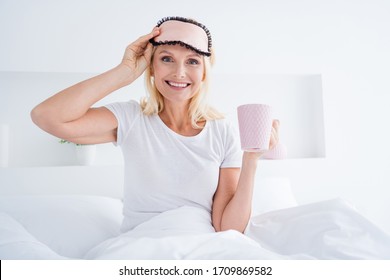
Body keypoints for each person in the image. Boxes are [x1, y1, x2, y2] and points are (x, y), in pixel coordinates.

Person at [31, 16, 279, 234]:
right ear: (151, 66)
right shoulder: (131, 118)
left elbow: (228, 228)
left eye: (192, 61)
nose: (180, 72)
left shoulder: (222, 132)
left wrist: (251, 160)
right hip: (142, 243)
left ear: (204, 71)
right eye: (167, 59)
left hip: (200, 245)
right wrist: (124, 71)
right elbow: (47, 116)